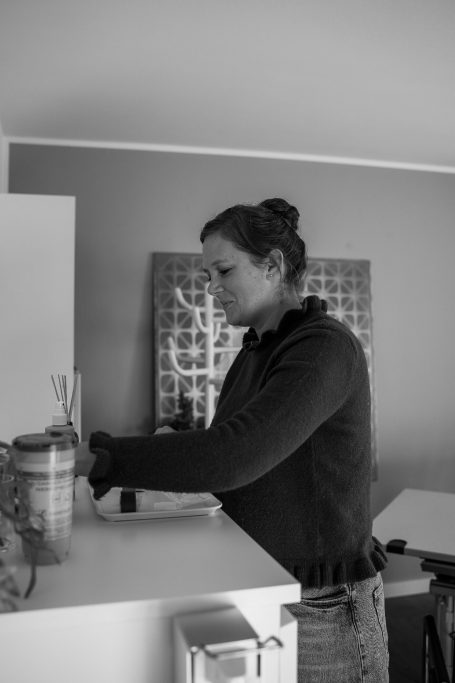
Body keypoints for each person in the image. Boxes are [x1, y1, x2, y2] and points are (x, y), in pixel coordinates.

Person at [76, 197, 389, 682]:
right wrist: (184, 440)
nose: (211, 288)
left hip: (324, 609)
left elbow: (236, 455)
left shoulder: (323, 347)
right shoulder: (255, 351)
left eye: (223, 271)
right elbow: (252, 446)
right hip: (267, 582)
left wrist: (94, 458)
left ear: (273, 266)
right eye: (207, 276)